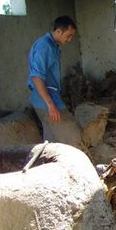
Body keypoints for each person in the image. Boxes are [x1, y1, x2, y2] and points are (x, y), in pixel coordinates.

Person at [27, 15, 88, 154]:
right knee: (73, 135)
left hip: (48, 98)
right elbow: (36, 77)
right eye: (69, 35)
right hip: (46, 100)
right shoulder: (44, 46)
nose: (70, 39)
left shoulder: (52, 45)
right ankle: (85, 169)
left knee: (51, 143)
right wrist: (50, 105)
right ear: (59, 31)